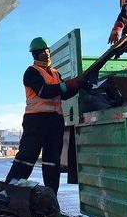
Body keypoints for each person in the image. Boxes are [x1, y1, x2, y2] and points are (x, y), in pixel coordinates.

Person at [5, 37, 85, 195]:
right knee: (26, 158)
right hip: (36, 121)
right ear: (35, 55)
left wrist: (77, 85)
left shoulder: (55, 73)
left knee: (52, 162)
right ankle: (9, 193)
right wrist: (66, 85)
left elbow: (63, 94)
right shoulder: (31, 72)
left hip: (55, 121)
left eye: (48, 51)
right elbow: (44, 91)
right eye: (42, 52)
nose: (46, 54)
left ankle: (51, 199)